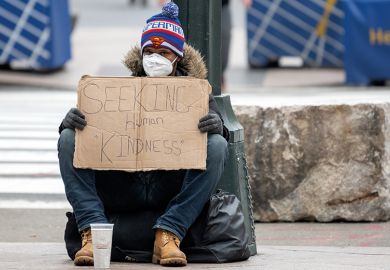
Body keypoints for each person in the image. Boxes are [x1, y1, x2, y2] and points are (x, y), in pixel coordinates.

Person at [58, 2, 228, 267]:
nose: (154, 58)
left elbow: (221, 138)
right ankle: (93, 233)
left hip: (168, 185)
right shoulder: (117, 92)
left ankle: (170, 234)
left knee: (216, 144)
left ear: (177, 58)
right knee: (69, 138)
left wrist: (217, 124)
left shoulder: (196, 93)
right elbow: (88, 135)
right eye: (149, 51)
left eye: (163, 52)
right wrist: (69, 123)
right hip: (123, 182)